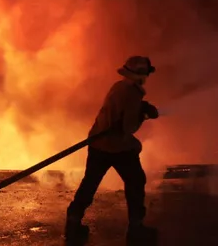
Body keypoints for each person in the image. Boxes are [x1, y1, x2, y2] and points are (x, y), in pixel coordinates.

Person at [66, 56, 160, 244]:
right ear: (141, 75)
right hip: (117, 147)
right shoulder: (132, 94)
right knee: (135, 181)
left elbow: (120, 109)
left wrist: (142, 106)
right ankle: (136, 228)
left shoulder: (119, 87)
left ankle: (73, 222)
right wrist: (143, 114)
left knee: (90, 183)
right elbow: (129, 127)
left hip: (98, 143)